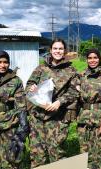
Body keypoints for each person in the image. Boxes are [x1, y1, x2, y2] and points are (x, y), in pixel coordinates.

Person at [26, 38, 80, 168]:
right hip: (37, 116)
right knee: (37, 152)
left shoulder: (71, 70)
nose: (58, 51)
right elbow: (29, 84)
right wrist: (32, 87)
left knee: (56, 151)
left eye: (60, 49)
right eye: (55, 48)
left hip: (57, 118)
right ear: (50, 50)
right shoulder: (41, 68)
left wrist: (59, 102)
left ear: (65, 51)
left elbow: (75, 91)